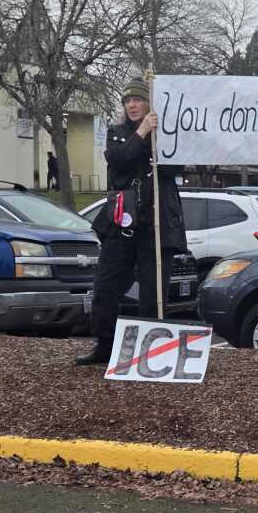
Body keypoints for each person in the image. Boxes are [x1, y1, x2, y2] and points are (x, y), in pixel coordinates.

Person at [76, 77, 188, 365]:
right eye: (127, 101)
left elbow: (177, 165)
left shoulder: (165, 134)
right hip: (122, 221)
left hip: (157, 222)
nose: (132, 105)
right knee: (105, 284)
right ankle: (104, 346)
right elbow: (120, 160)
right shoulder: (117, 132)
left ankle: (150, 354)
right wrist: (142, 131)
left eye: (137, 99)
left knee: (153, 291)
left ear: (149, 102)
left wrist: (158, 134)